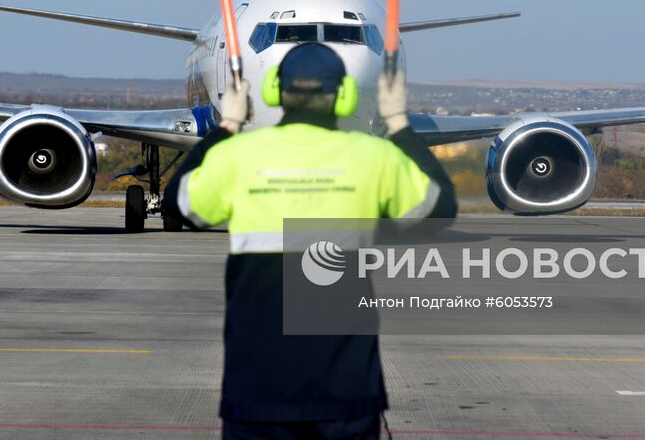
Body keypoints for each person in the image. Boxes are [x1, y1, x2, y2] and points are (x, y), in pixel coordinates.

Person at [164, 42, 456, 440]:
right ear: (345, 94)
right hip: (346, 393)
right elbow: (439, 207)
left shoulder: (240, 156)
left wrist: (226, 126)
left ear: (272, 91)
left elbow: (178, 205)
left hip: (257, 393)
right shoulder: (371, 156)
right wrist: (399, 122)